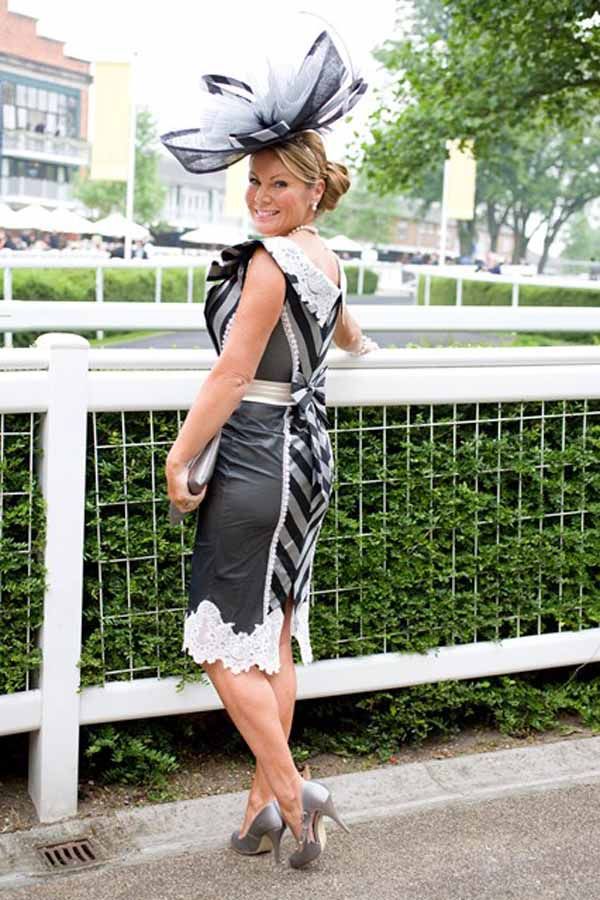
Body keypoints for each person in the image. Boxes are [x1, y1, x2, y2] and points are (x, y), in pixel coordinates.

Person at [162, 25, 375, 869]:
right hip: (308, 457)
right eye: (255, 180)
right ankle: (261, 809)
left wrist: (179, 458)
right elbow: (346, 335)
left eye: (280, 182)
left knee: (219, 644)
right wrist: (357, 348)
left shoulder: (267, 264)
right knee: (273, 638)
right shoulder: (321, 257)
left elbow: (230, 374)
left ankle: (294, 793)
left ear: (315, 191)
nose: (261, 194)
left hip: (256, 457)